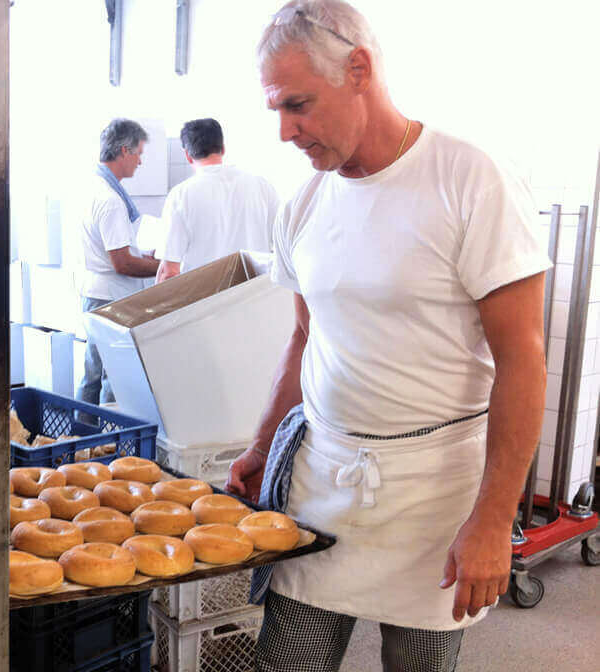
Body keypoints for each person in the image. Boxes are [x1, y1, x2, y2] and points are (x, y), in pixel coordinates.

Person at [225, 2, 551, 671]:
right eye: (276, 112)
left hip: (435, 495)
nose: (286, 131)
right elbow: (304, 339)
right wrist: (263, 443)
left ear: (359, 69)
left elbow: (523, 358)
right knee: (286, 663)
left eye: (299, 105)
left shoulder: (468, 176)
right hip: (321, 485)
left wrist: (493, 520)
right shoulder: (305, 203)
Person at [76, 118, 160, 410]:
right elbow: (122, 263)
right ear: (124, 151)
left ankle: (82, 439)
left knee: (92, 374)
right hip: (112, 298)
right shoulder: (110, 200)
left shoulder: (91, 187)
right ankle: (108, 443)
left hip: (95, 294)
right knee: (113, 378)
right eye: (138, 154)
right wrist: (163, 266)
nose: (140, 162)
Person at [155, 118, 279, 283]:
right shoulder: (262, 186)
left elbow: (169, 272)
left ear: (188, 155)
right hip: (255, 296)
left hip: (205, 301)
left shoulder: (180, 195)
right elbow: (281, 248)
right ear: (223, 148)